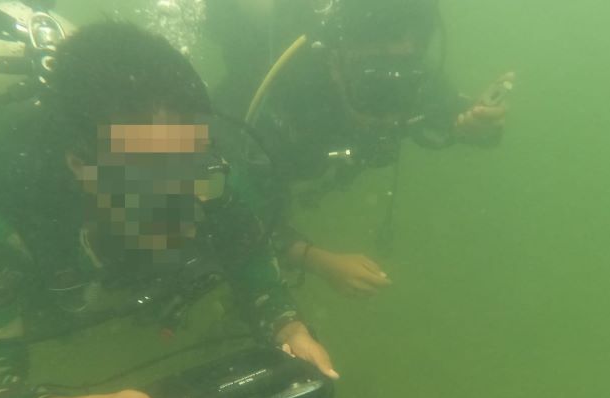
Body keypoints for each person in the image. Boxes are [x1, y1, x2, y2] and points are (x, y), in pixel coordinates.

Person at [0, 21, 336, 398]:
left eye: (190, 157)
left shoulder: (209, 172)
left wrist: (284, 322)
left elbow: (247, 247)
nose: (182, 194)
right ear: (80, 164)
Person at [202, 0, 513, 296]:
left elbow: (452, 114)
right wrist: (315, 259)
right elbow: (223, 208)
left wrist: (480, 127)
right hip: (259, 167)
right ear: (335, 61)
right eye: (374, 89)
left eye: (401, 89)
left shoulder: (412, 75)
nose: (389, 114)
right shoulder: (277, 93)